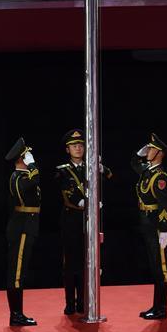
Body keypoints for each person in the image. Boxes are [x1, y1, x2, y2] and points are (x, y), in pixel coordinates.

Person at [55, 129, 111, 315]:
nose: (78, 148)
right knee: (71, 263)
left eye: (80, 145)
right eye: (74, 146)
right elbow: (67, 193)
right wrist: (88, 203)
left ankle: (83, 301)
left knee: (88, 261)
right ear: (67, 149)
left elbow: (109, 179)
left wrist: (101, 169)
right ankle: (70, 302)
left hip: (90, 220)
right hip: (72, 219)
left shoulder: (91, 167)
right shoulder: (62, 171)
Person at [131, 132, 167, 320]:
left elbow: (164, 205)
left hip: (156, 224)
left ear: (160, 153)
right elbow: (134, 164)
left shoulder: (160, 176)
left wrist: (164, 230)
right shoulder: (148, 171)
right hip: (146, 223)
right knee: (154, 267)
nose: (149, 151)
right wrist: (139, 154)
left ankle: (161, 309)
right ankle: (155, 307)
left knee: (161, 268)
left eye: (152, 149)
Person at [5, 137, 40, 327]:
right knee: (16, 272)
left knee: (20, 271)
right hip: (21, 229)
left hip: (28, 227)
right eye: (26, 156)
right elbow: (35, 179)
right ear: (21, 159)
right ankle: (16, 314)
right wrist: (32, 164)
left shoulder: (24, 178)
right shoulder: (17, 178)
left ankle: (17, 313)